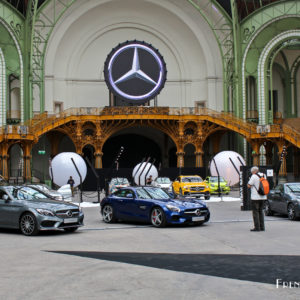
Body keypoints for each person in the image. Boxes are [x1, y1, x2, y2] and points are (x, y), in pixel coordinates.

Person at [247, 166, 267, 232]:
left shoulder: (253, 176)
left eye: (252, 172)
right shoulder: (264, 175)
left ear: (254, 171)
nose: (252, 173)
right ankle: (262, 227)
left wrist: (250, 180)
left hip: (255, 197)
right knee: (261, 211)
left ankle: (257, 227)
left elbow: (249, 185)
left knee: (255, 212)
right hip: (263, 196)